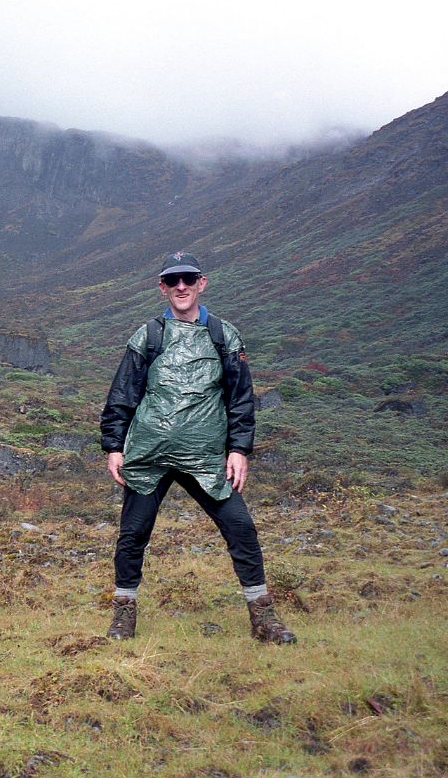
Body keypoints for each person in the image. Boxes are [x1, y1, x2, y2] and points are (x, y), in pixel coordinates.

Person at [99, 251, 296, 644]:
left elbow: (241, 397)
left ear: (202, 282)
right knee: (133, 534)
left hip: (206, 459)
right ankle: (123, 615)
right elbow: (123, 393)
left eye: (188, 279)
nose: (182, 287)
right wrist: (114, 446)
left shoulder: (224, 336)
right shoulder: (148, 336)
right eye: (173, 281)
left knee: (241, 528)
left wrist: (239, 449)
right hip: (149, 456)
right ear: (163, 288)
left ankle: (264, 618)